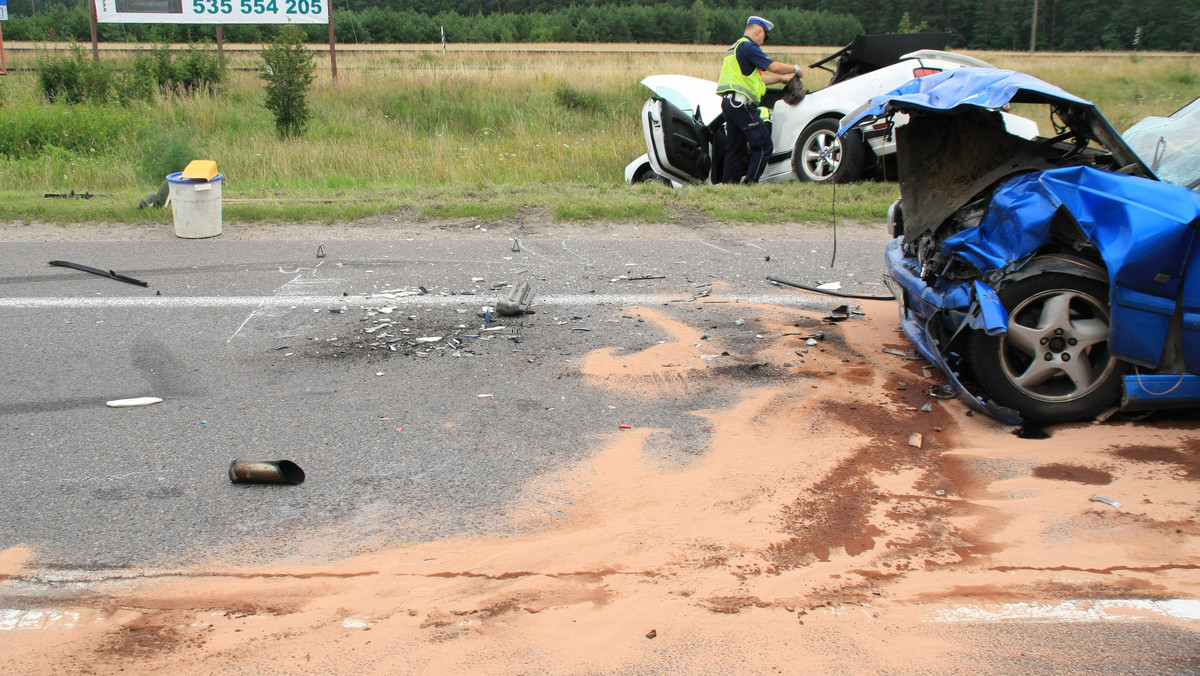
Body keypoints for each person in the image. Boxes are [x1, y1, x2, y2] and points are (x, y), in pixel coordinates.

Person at [716, 16, 805, 184]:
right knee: (764, 145)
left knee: (735, 149)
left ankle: (729, 185)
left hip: (730, 103)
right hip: (741, 104)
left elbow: (757, 80)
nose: (762, 42)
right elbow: (773, 66)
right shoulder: (749, 47)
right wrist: (796, 69)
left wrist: (780, 79)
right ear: (758, 31)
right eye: (764, 36)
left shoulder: (734, 48)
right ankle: (750, 182)